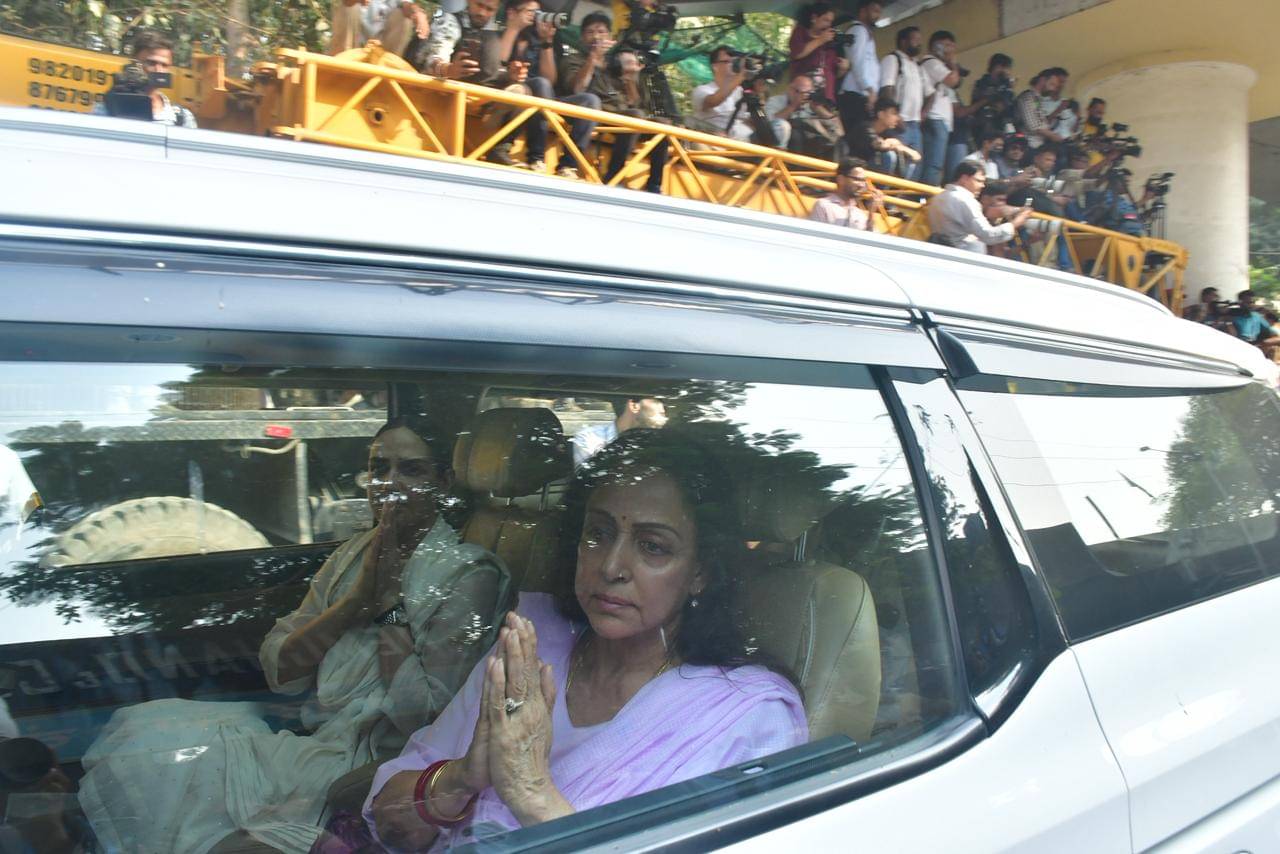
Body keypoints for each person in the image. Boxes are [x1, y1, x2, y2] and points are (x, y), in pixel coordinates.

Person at [77, 416, 515, 854]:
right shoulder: (354, 554)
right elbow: (281, 668)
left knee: (169, 772)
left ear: (443, 481)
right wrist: (354, 602)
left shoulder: (467, 574)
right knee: (144, 732)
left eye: (411, 470)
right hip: (315, 739)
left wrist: (389, 607)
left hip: (369, 759)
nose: (390, 484)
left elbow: (425, 713)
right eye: (379, 468)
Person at [363, 430, 808, 851]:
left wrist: (533, 794)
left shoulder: (747, 714)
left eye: (653, 546)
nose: (611, 566)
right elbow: (388, 820)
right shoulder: (533, 645)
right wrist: (460, 778)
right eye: (598, 534)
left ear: (700, 573)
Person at [420, 0, 598, 174]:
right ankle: (535, 158)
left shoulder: (542, 40)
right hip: (507, 94)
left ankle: (569, 165)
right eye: (531, 12)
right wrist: (449, 69)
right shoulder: (487, 31)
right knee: (534, 86)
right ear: (511, 13)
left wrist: (546, 42)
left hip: (541, 100)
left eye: (489, 9)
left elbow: (549, 80)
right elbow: (493, 68)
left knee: (590, 100)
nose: (483, 12)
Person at [558, 15, 668, 192]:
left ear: (610, 37)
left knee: (662, 125)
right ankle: (611, 176)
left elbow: (634, 103)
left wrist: (630, 79)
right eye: (590, 32)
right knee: (625, 113)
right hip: (587, 112)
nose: (596, 37)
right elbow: (578, 89)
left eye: (601, 32)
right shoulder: (572, 59)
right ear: (582, 37)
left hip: (615, 116)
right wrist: (592, 59)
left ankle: (655, 185)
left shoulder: (615, 64)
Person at [93, 30, 197, 128]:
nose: (159, 70)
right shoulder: (108, 108)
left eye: (164, 65)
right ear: (134, 63)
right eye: (151, 63)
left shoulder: (182, 118)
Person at [927, 161, 1032, 254]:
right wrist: (1015, 223)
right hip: (964, 257)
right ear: (964, 178)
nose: (982, 186)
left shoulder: (938, 198)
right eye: (978, 181)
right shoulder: (965, 200)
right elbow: (989, 235)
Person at [876, 26, 925, 180]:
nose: (919, 43)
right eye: (915, 40)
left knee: (915, 167)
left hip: (915, 124)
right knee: (899, 165)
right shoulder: (893, 59)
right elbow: (887, 89)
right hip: (899, 123)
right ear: (903, 42)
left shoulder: (916, 65)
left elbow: (929, 93)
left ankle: (905, 196)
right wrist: (896, 118)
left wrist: (922, 115)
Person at [836, 0, 882, 159]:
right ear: (863, 11)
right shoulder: (859, 30)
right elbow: (858, 62)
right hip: (854, 95)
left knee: (862, 141)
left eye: (879, 11)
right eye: (874, 10)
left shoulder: (866, 33)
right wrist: (869, 89)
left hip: (861, 95)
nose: (878, 15)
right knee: (858, 141)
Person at [571, 397, 667, 469]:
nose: (663, 410)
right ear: (634, 406)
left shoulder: (662, 442)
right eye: (657, 401)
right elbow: (588, 481)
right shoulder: (590, 438)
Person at [918, 30, 961, 186]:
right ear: (936, 46)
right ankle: (926, 196)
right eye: (947, 45)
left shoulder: (937, 64)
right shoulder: (931, 62)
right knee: (933, 164)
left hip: (939, 120)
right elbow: (953, 80)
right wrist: (952, 61)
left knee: (935, 163)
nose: (951, 49)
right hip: (935, 118)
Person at [765, 74, 843, 159]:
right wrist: (794, 105)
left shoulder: (810, 104)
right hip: (788, 144)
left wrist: (817, 108)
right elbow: (771, 121)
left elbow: (836, 125)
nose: (805, 95)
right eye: (801, 92)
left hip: (811, 146)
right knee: (789, 129)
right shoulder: (775, 101)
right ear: (790, 89)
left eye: (809, 92)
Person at [788, 2, 847, 106]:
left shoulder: (830, 42)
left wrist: (843, 69)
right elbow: (797, 53)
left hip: (825, 98)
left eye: (831, 22)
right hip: (803, 96)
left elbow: (833, 73)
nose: (828, 25)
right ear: (814, 18)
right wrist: (820, 40)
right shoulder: (801, 32)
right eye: (825, 20)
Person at [689, 45, 751, 141]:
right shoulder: (702, 90)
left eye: (735, 61)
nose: (733, 64)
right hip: (712, 142)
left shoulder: (741, 92)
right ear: (715, 66)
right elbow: (714, 101)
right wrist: (741, 75)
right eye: (728, 62)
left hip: (741, 143)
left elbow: (747, 121)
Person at [330, 0, 433, 57]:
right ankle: (341, 59)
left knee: (404, 18)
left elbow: (406, 5)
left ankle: (390, 65)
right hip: (353, 43)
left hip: (382, 46)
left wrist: (418, 14)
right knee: (350, 7)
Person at [847, 97, 920, 175]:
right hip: (854, 170)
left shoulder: (888, 133)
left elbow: (916, 156)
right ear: (881, 114)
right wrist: (894, 145)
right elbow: (879, 145)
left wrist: (901, 148)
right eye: (894, 114)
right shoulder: (865, 128)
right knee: (888, 156)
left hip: (870, 171)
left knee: (908, 159)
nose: (897, 118)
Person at [808, 157, 882, 230]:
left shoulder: (860, 215)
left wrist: (871, 214)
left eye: (863, 180)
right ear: (841, 179)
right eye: (857, 179)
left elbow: (869, 236)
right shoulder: (824, 205)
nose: (861, 185)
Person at [1014, 67, 1070, 152]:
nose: (1053, 89)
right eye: (1051, 84)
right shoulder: (1028, 97)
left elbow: (1040, 122)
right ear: (1042, 80)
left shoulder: (1037, 100)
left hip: (1038, 145)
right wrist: (1053, 136)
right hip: (1027, 145)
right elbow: (1033, 126)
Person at [970, 53, 1016, 137]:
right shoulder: (982, 83)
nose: (1006, 71)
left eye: (1007, 68)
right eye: (1003, 67)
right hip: (984, 127)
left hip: (1003, 128)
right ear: (994, 67)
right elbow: (983, 103)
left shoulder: (1006, 85)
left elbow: (1010, 107)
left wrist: (1009, 88)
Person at [1232, 291, 1280, 358]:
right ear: (1240, 303)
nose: (1251, 305)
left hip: (1256, 345)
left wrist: (1266, 343)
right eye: (1248, 302)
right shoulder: (1233, 317)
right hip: (1240, 346)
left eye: (1252, 302)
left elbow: (1272, 332)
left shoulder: (1256, 315)